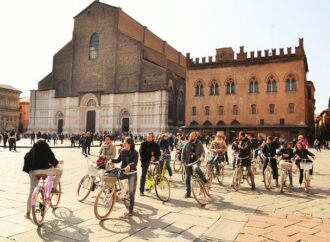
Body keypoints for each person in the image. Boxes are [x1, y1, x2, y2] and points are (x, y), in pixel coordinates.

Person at [22, 139, 63, 219]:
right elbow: (53, 160)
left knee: (31, 192)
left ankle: (28, 212)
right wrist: (58, 164)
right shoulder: (46, 149)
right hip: (46, 170)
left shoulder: (31, 152)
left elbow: (26, 159)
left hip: (33, 172)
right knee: (60, 171)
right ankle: (53, 188)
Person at [112, 137, 138, 216]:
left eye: (124, 142)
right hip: (123, 171)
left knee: (131, 193)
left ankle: (131, 209)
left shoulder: (135, 152)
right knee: (113, 178)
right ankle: (119, 193)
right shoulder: (122, 151)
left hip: (132, 173)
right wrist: (110, 160)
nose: (123, 144)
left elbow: (135, 163)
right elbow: (118, 160)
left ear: (129, 144)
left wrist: (129, 166)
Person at [181, 131, 208, 198]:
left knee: (196, 168)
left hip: (196, 161)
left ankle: (204, 180)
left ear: (196, 137)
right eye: (190, 136)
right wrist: (183, 161)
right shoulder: (187, 144)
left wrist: (202, 157)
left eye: (192, 136)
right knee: (187, 178)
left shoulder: (199, 144)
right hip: (188, 163)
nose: (190, 137)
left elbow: (203, 152)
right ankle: (188, 193)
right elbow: (183, 153)